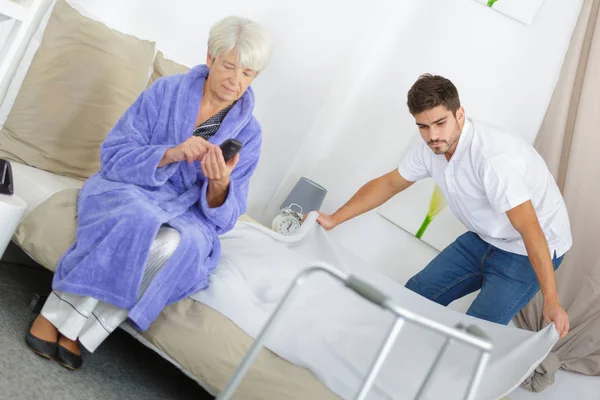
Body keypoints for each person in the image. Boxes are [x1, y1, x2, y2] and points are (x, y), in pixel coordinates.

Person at [25, 16, 272, 370]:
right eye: (230, 66)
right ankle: (53, 317)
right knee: (138, 219)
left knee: (180, 245)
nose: (236, 81)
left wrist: (219, 185)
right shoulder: (166, 92)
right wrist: (170, 153)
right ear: (211, 58)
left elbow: (228, 215)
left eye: (248, 74)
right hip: (131, 185)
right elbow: (114, 153)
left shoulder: (251, 134)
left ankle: (79, 329)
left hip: (189, 213)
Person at [317, 74, 571, 338]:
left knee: (474, 333)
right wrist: (335, 219)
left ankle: (446, 376)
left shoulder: (493, 160)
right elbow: (389, 184)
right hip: (486, 236)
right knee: (415, 294)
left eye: (440, 123)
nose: (433, 135)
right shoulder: (431, 150)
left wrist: (551, 301)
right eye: (423, 127)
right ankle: (385, 356)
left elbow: (530, 228)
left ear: (459, 114)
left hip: (527, 247)